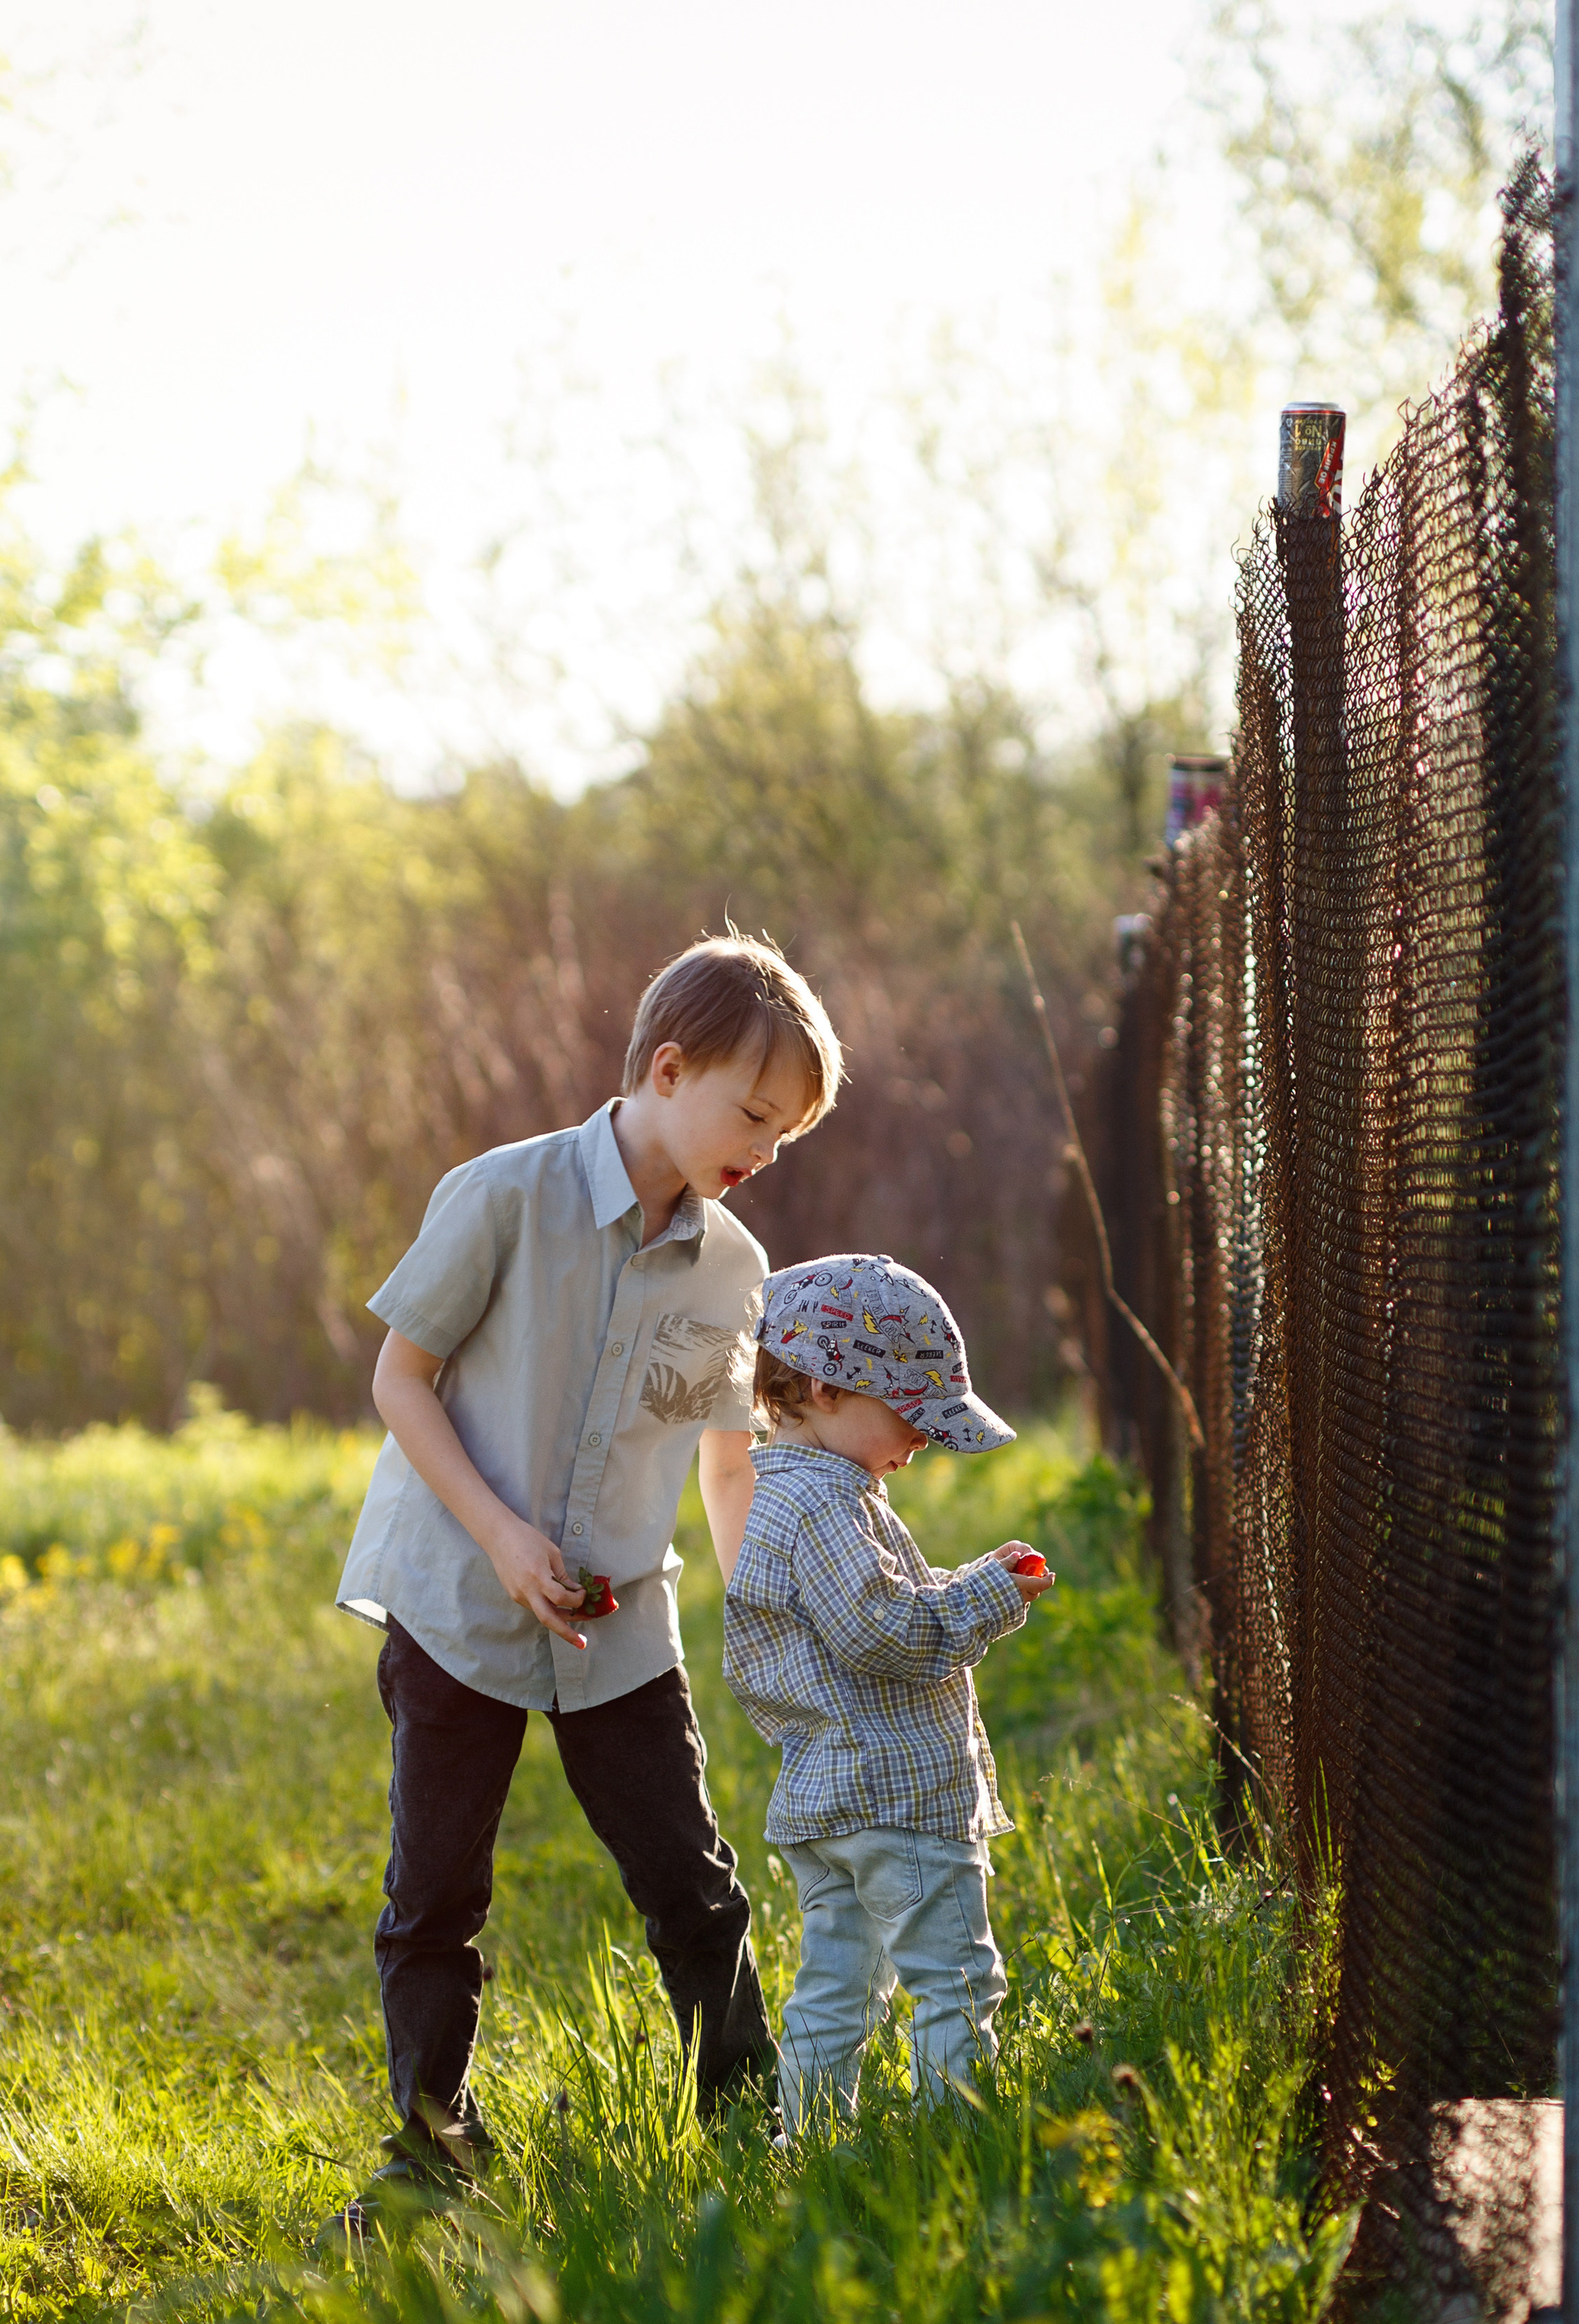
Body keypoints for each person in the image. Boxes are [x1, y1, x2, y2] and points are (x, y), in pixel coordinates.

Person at [331, 934, 844, 2222]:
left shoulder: (734, 1269)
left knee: (693, 1879)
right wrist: (504, 1537)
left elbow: (725, 1464)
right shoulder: (502, 1194)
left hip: (620, 1622)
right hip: (458, 1598)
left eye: (789, 1132)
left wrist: (762, 1612)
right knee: (435, 1889)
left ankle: (746, 2124)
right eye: (755, 1115)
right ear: (668, 1069)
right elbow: (402, 1377)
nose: (767, 1150)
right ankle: (430, 2155)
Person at [722, 1252, 1054, 2130]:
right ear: (825, 1389)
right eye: (911, 1413)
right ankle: (957, 2144)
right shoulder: (827, 1503)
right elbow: (885, 1633)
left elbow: (862, 1612)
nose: (922, 1440)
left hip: (829, 1803)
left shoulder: (783, 1490)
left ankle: (815, 2146)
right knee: (954, 1980)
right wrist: (987, 1596)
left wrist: (966, 1581)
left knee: (838, 1987)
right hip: (896, 1798)